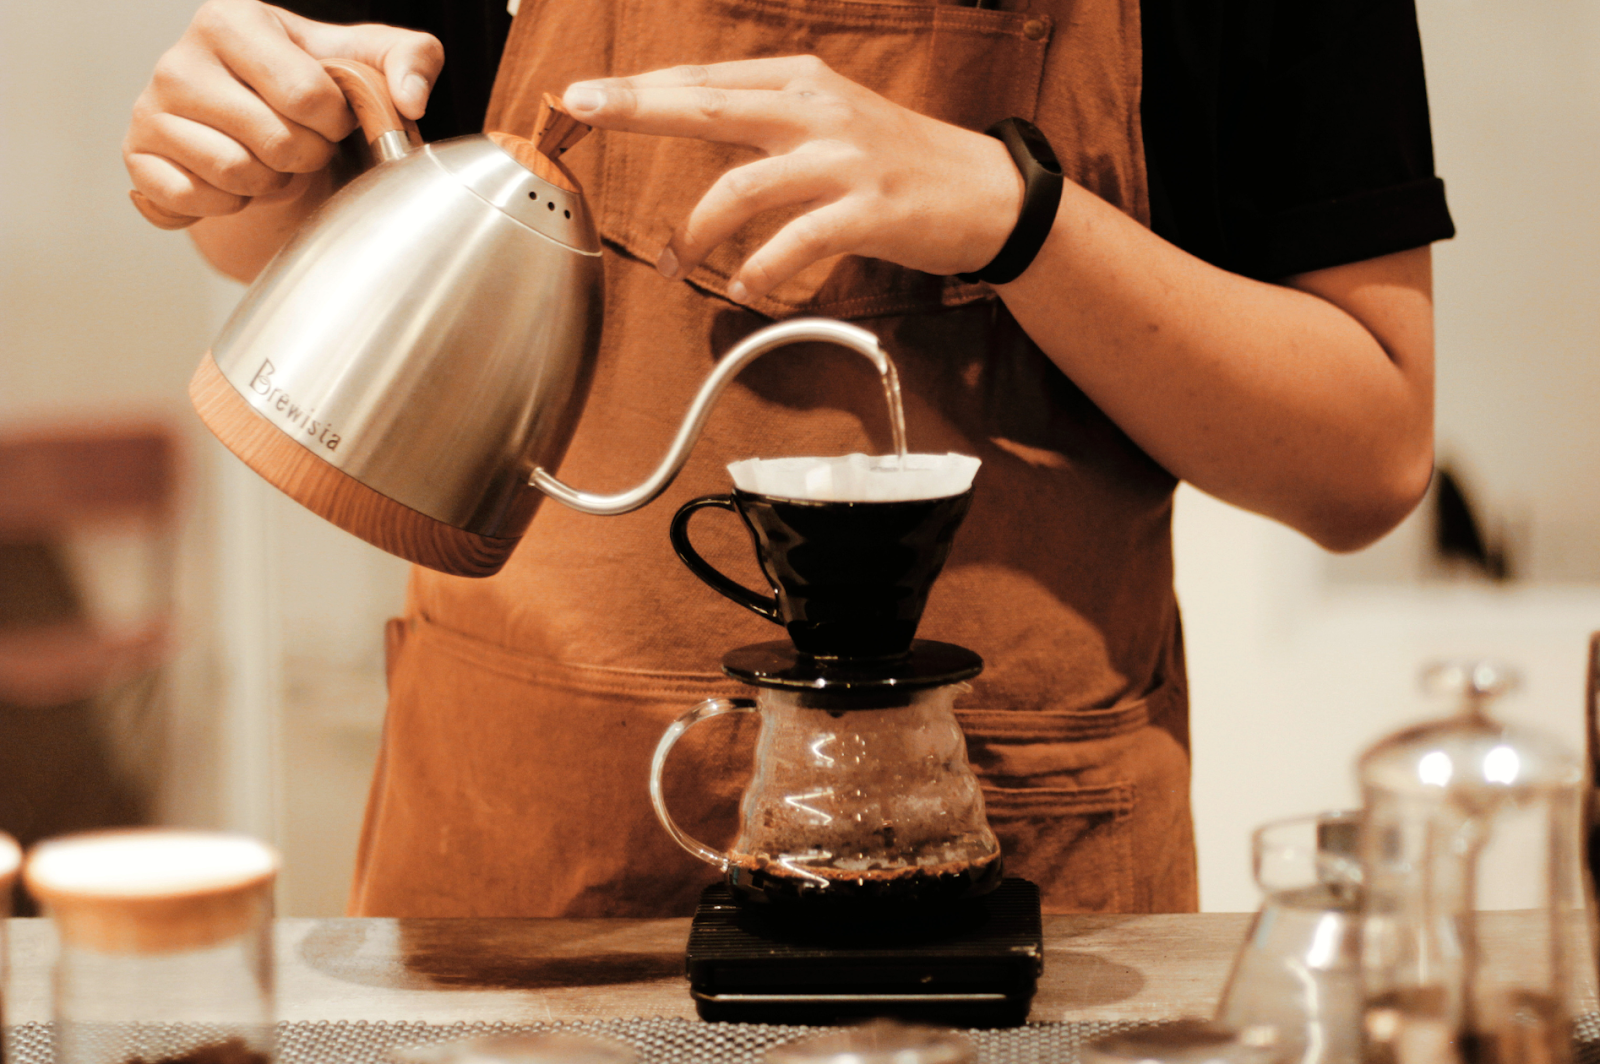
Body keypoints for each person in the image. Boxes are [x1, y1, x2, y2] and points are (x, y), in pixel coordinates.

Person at [124, 0, 1453, 916]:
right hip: (522, 872)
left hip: (1014, 884)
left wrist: (1020, 219)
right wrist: (241, 148)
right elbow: (298, 205)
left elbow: (1364, 453)